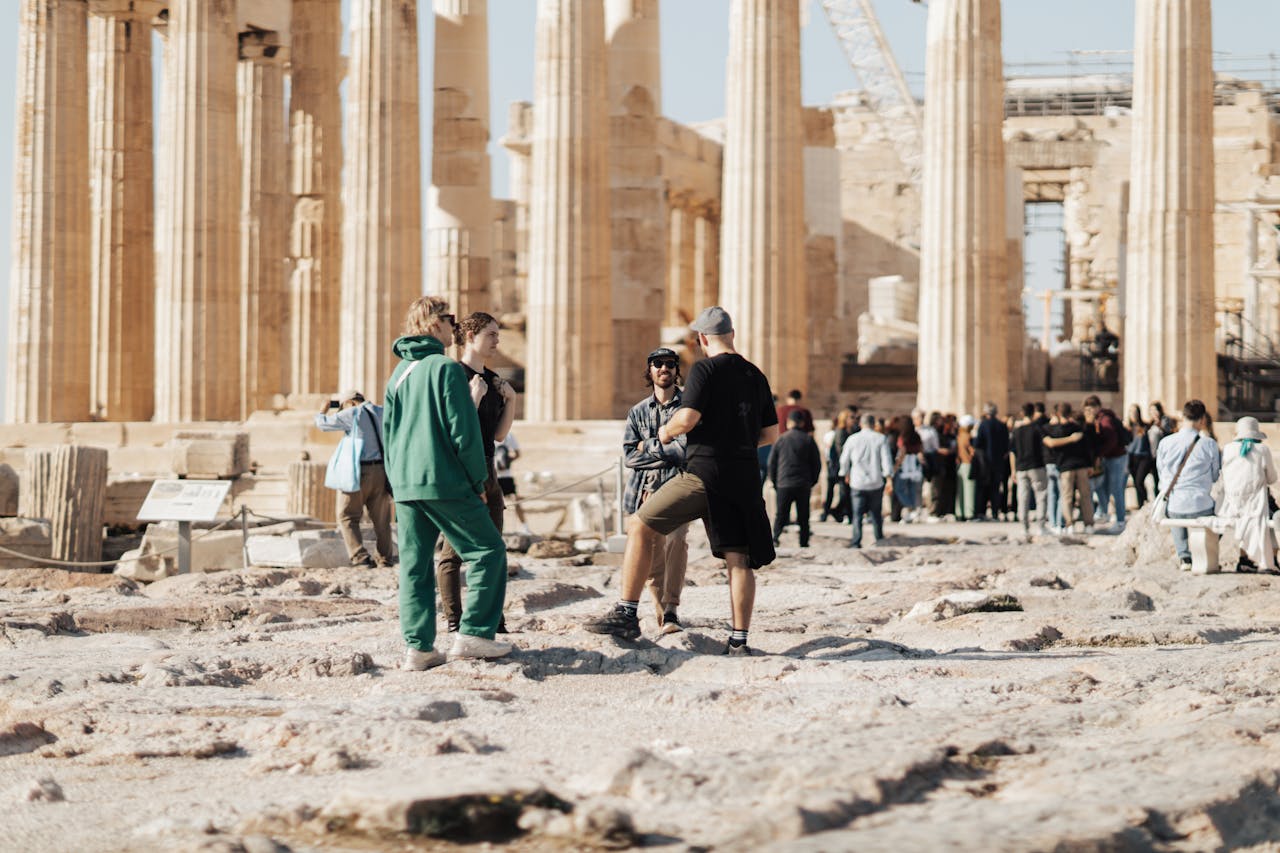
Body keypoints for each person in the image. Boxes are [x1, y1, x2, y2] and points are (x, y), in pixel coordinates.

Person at [585, 307, 777, 655]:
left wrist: (665, 432)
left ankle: (627, 613)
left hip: (703, 474)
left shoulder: (705, 368)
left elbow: (686, 418)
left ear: (702, 339)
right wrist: (738, 442)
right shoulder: (756, 375)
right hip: (744, 478)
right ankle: (739, 640)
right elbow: (771, 434)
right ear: (732, 334)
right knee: (739, 559)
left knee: (640, 525)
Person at [384, 296, 511, 670]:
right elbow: (464, 432)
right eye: (448, 318)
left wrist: (396, 481)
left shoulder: (399, 374)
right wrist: (477, 480)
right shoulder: (445, 368)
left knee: (414, 566)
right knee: (488, 552)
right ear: (432, 323)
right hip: (444, 480)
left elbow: (388, 433)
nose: (454, 325)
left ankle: (419, 648)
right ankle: (474, 634)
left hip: (406, 484)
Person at [435, 312, 517, 635]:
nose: (497, 341)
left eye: (498, 334)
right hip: (461, 468)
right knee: (453, 551)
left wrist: (511, 400)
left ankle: (493, 617)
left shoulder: (494, 380)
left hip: (489, 466)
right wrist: (472, 399)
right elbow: (452, 428)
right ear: (470, 337)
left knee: (494, 548)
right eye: (491, 334)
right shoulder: (452, 374)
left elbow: (498, 435)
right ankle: (455, 619)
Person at [623, 347, 690, 633]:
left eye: (670, 364)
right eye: (658, 364)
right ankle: (662, 611)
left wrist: (647, 445)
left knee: (676, 543)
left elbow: (685, 452)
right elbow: (629, 456)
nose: (664, 369)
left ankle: (672, 608)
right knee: (650, 552)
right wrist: (664, 448)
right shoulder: (637, 411)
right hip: (644, 489)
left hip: (678, 485)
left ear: (677, 370)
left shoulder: (689, 407)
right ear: (649, 371)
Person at [315, 390, 394, 569]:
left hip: (359, 471)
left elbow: (322, 424)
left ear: (350, 403)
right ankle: (385, 559)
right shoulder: (381, 411)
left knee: (347, 515)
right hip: (381, 471)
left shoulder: (352, 413)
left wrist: (323, 409)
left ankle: (360, 557)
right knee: (382, 520)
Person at [1155, 399, 1221, 571]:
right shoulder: (1209, 444)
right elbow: (1215, 476)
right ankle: (1203, 553)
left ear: (1183, 417)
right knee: (1218, 515)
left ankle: (1184, 556)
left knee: (1176, 507)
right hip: (1201, 504)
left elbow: (1162, 474)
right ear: (1202, 420)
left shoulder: (1165, 442)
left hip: (1174, 506)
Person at [1218, 417, 1278, 573]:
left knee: (1247, 518)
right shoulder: (1262, 450)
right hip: (1255, 505)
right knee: (1273, 515)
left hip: (1231, 504)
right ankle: (1271, 560)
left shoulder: (1228, 449)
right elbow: (1272, 479)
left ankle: (1244, 559)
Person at [840, 413, 895, 548]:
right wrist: (889, 479)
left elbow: (844, 459)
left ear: (861, 424)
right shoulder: (881, 439)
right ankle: (879, 540)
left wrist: (845, 473)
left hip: (857, 482)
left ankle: (856, 541)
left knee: (857, 514)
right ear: (874, 424)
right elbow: (886, 461)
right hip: (875, 481)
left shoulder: (852, 439)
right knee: (876, 513)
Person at [769, 410, 822, 547]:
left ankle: (775, 538)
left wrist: (775, 482)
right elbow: (816, 463)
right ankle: (803, 542)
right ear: (802, 423)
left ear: (788, 423)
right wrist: (812, 481)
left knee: (781, 514)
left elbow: (772, 463)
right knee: (803, 516)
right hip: (803, 483)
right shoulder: (808, 439)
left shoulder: (781, 439)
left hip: (784, 483)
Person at [1043, 402, 1095, 533]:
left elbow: (1051, 444)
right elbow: (1087, 448)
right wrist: (1090, 464)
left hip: (1066, 467)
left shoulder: (1055, 430)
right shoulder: (1078, 428)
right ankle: (1088, 524)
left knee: (1066, 497)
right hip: (1081, 465)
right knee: (1085, 496)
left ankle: (1070, 524)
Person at [1083, 394, 1128, 530]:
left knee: (1116, 489)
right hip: (1109, 457)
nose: (1089, 413)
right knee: (1102, 487)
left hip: (1116, 458)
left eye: (1091, 409)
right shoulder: (1099, 419)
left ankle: (1120, 520)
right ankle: (1104, 513)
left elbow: (1112, 440)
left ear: (1097, 408)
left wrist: (1099, 454)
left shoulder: (1105, 420)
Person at [1010, 402, 1049, 535]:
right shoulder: (1037, 429)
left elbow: (1012, 452)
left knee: (1022, 497)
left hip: (1021, 467)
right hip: (1036, 466)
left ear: (1022, 413)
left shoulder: (1017, 430)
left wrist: (1013, 470)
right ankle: (1041, 526)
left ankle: (1024, 526)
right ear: (1033, 413)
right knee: (1041, 495)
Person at [973, 403, 1011, 520]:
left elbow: (978, 443)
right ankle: (995, 512)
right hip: (998, 462)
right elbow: (1006, 445)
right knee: (995, 488)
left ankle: (981, 512)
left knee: (982, 488)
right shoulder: (1002, 426)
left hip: (985, 462)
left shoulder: (983, 425)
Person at [821, 409, 855, 522]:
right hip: (838, 467)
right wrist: (846, 469)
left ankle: (841, 513)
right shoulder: (841, 432)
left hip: (844, 467)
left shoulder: (851, 431)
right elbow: (841, 452)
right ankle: (829, 512)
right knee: (840, 492)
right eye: (851, 417)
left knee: (845, 492)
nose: (854, 420)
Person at [493, 433, 531, 534]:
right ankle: (499, 529)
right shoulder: (487, 433)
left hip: (506, 476)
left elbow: (517, 453)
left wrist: (506, 460)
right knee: (495, 504)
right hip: (493, 475)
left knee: (515, 501)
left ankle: (525, 527)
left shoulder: (508, 436)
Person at [893, 420, 927, 522]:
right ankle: (914, 511)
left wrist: (896, 466)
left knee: (899, 488)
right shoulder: (916, 436)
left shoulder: (903, 437)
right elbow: (921, 449)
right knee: (913, 489)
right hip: (915, 465)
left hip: (905, 465)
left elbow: (902, 451)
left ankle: (909, 506)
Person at [1126, 404, 1156, 508]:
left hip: (1144, 456)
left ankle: (1144, 503)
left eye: (1135, 412)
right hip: (1132, 457)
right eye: (1131, 412)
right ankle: (1140, 505)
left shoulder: (1145, 426)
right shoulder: (1127, 428)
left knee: (1139, 481)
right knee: (1136, 482)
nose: (1133, 414)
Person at [955, 414, 977, 521]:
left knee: (961, 490)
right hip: (968, 463)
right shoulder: (967, 436)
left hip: (960, 465)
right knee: (969, 489)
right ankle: (970, 513)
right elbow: (972, 451)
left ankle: (960, 512)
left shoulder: (959, 435)